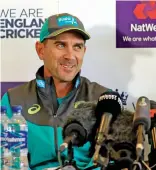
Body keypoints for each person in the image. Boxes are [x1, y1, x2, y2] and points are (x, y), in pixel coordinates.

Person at [1, 13, 109, 170]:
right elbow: (9, 163)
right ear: (40, 50)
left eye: (77, 47)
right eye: (60, 45)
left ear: (84, 51)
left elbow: (110, 162)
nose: (70, 56)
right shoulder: (14, 100)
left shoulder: (104, 99)